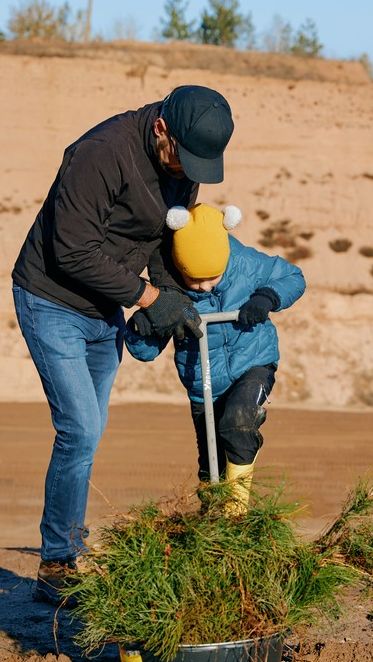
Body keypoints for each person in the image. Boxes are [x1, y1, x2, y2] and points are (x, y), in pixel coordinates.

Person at [11, 86, 235, 606]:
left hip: (104, 308)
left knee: (88, 434)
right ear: (162, 130)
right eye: (186, 157)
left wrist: (169, 303)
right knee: (80, 429)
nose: (190, 172)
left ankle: (68, 545)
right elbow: (72, 251)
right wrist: (148, 297)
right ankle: (58, 562)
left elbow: (162, 242)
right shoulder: (101, 153)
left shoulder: (186, 168)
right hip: (50, 299)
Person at [125, 202, 306, 513]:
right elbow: (145, 352)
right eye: (195, 280)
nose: (205, 286)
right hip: (203, 386)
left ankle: (237, 512)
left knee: (238, 422)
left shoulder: (245, 264)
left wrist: (266, 297)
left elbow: (293, 276)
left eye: (213, 278)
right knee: (211, 469)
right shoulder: (169, 290)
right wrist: (145, 325)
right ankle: (214, 529)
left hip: (253, 363)